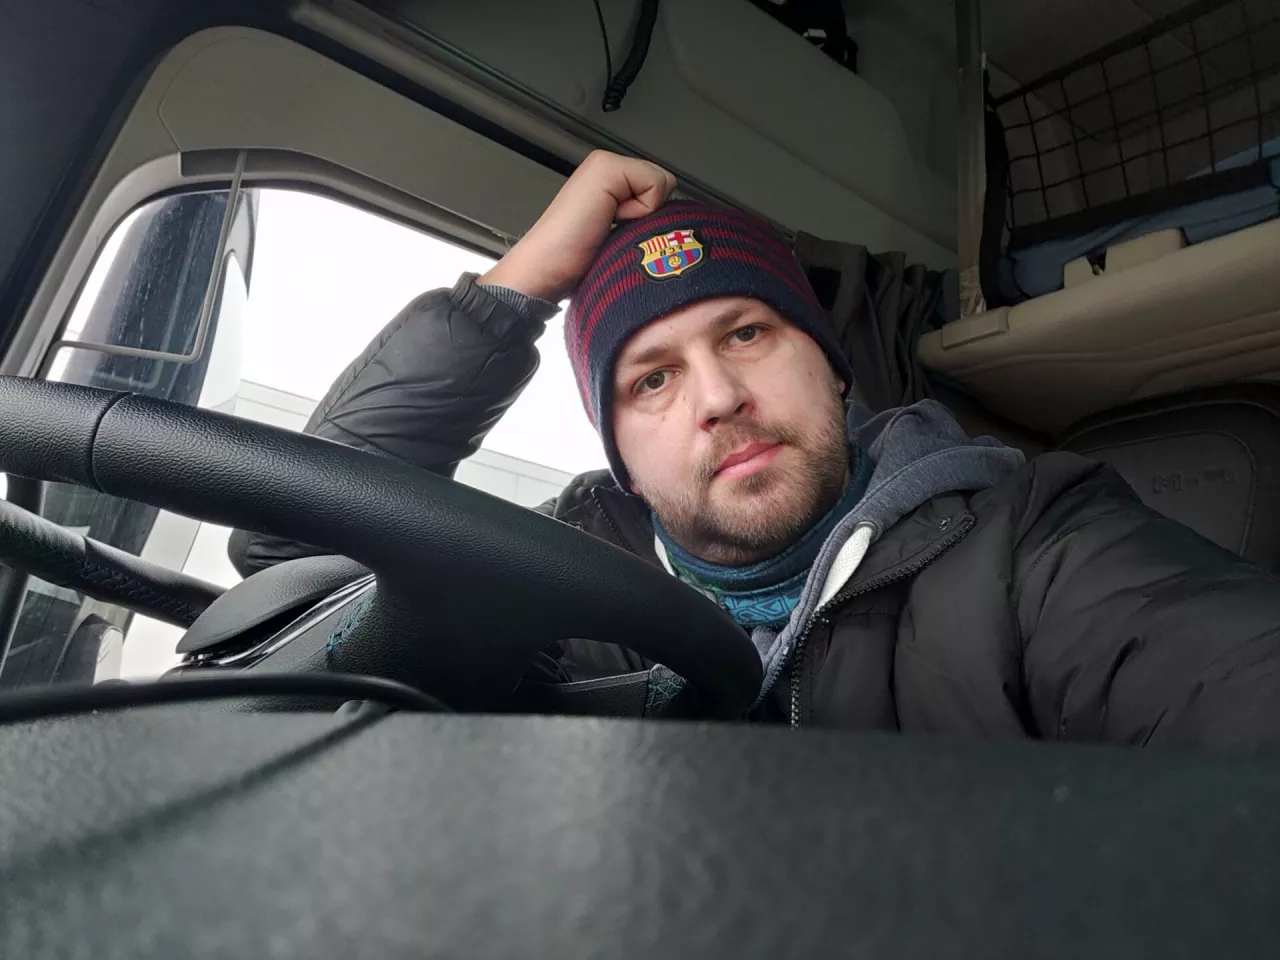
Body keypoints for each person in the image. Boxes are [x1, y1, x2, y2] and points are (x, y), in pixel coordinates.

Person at [230, 150, 1280, 749]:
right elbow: (293, 555)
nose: (719, 397)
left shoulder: (1029, 539)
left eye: (745, 334)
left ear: (832, 367)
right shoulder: (563, 580)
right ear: (618, 454)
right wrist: (512, 293)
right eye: (651, 379)